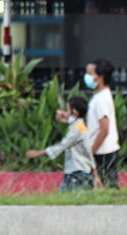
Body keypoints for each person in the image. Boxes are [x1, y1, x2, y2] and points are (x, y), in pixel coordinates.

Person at [25, 95, 95, 192]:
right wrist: (65, 116)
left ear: (75, 113)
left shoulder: (76, 130)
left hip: (76, 172)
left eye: (68, 110)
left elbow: (62, 145)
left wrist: (38, 153)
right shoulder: (81, 126)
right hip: (81, 171)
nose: (66, 113)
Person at [84, 59, 121, 188]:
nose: (87, 77)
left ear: (100, 78)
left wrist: (91, 151)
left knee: (109, 187)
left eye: (90, 73)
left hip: (104, 152)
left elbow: (104, 129)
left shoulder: (102, 99)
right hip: (101, 150)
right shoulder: (99, 96)